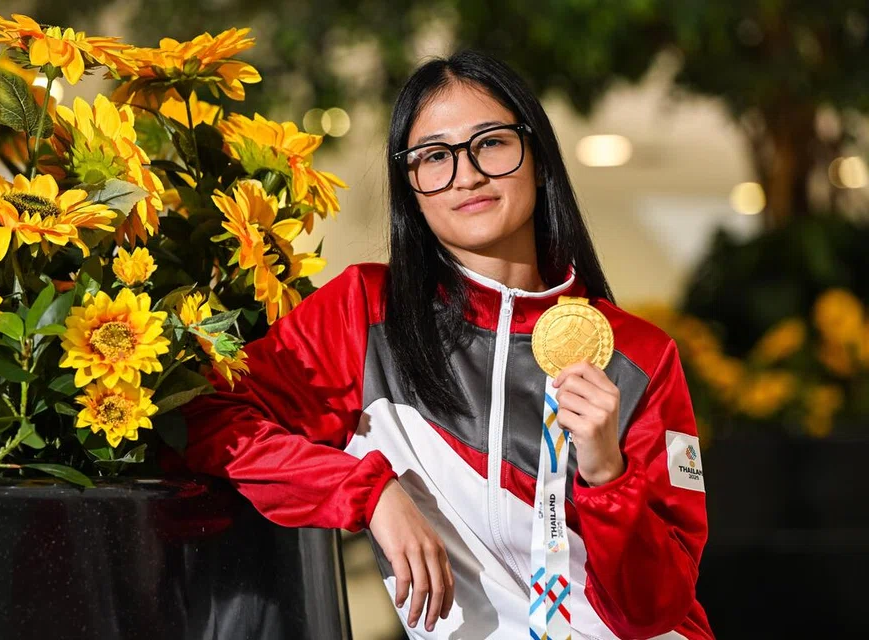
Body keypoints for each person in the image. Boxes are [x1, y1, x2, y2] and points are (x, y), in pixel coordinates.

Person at [179, 50, 714, 640]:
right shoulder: (366, 314)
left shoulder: (639, 355)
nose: (467, 173)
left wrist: (607, 474)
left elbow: (657, 610)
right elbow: (204, 418)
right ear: (411, 188)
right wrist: (368, 492)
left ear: (537, 157)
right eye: (434, 156)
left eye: (490, 143)